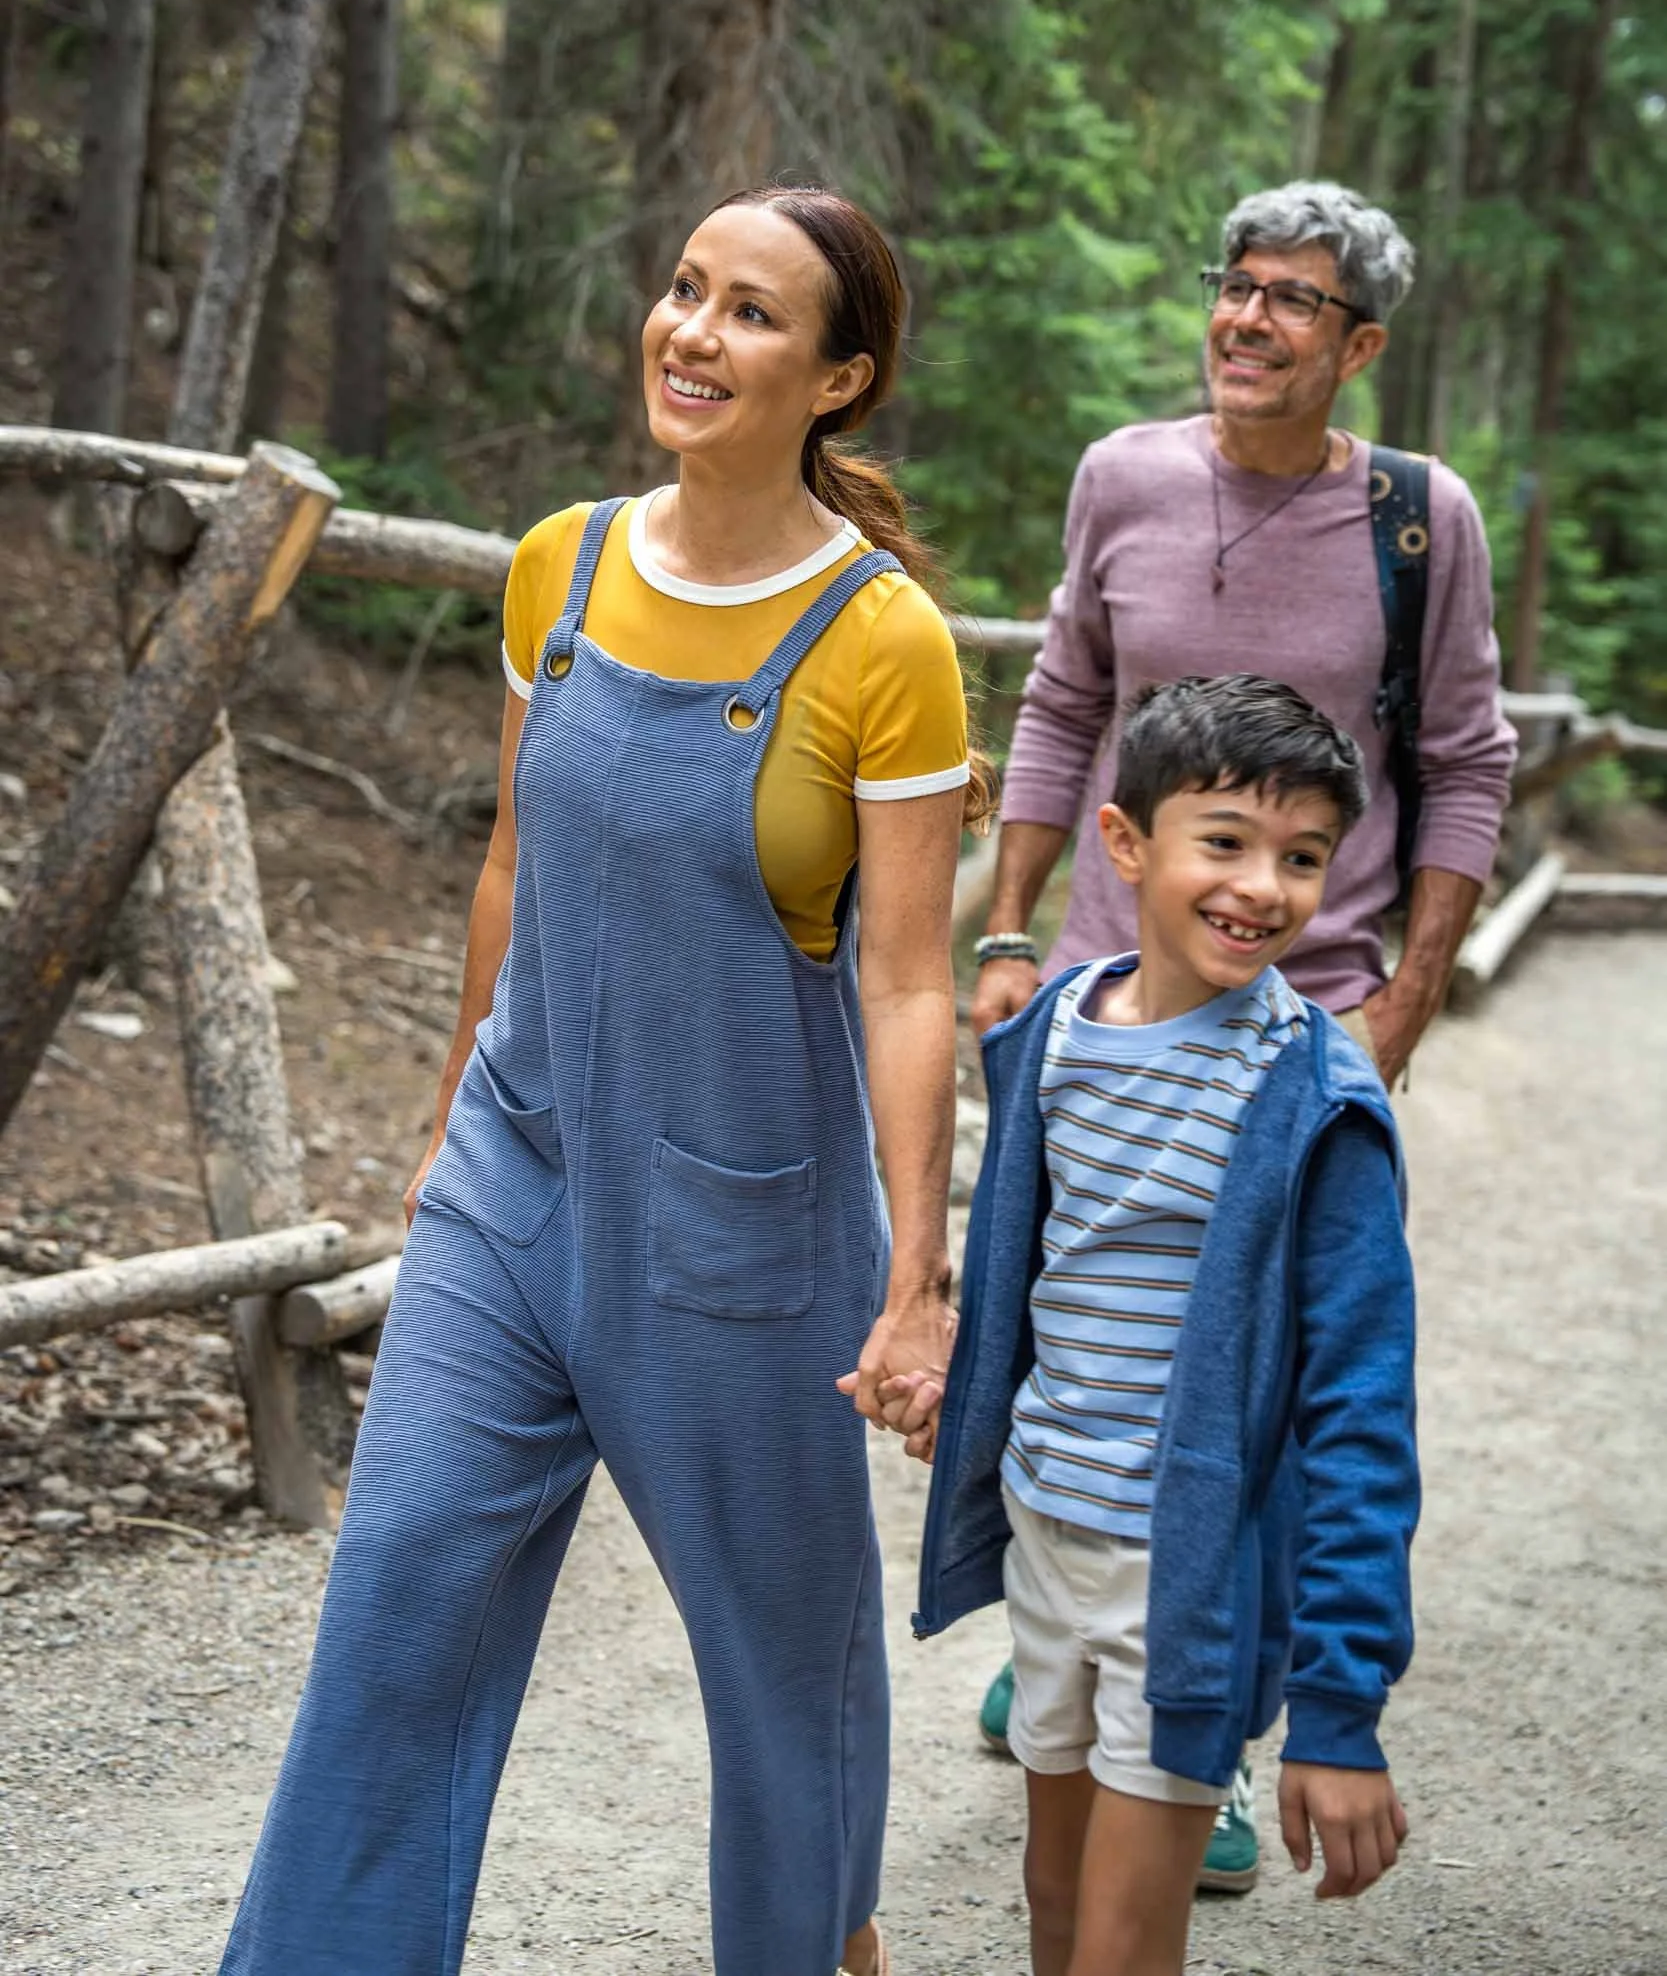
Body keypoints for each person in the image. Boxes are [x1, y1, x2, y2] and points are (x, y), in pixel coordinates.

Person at [216, 184, 986, 1976]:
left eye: (752, 315)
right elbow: (508, 865)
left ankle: (819, 1945)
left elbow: (905, 981)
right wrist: (446, 1142)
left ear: (837, 377)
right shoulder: (561, 559)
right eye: (683, 290)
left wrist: (913, 1277)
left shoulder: (884, 644)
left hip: (742, 1235)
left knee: (781, 1665)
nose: (692, 333)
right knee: (397, 1602)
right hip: (517, 1184)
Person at [969, 180, 1513, 1886]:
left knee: (1263, 1374)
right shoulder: (1122, 477)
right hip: (1101, 1002)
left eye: (1294, 302)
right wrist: (1007, 932)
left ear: (1354, 347)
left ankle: (1196, 1720)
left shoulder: (1416, 523)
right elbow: (1066, 699)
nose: (1248, 320)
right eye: (1235, 286)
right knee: (1082, 1322)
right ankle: (1071, 1621)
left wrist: (1396, 1007)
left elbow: (1469, 759)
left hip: (1299, 1015)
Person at [900, 675, 1420, 1976]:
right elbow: (1044, 1283)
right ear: (1125, 843)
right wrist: (956, 1390)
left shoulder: (1317, 1108)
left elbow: (1360, 1410)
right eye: (1226, 842)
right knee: (1052, 1904)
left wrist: (1337, 1708)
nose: (1263, 886)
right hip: (1042, 1537)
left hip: (1179, 1581)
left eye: (1301, 858)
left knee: (1123, 1951)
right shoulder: (1050, 1041)